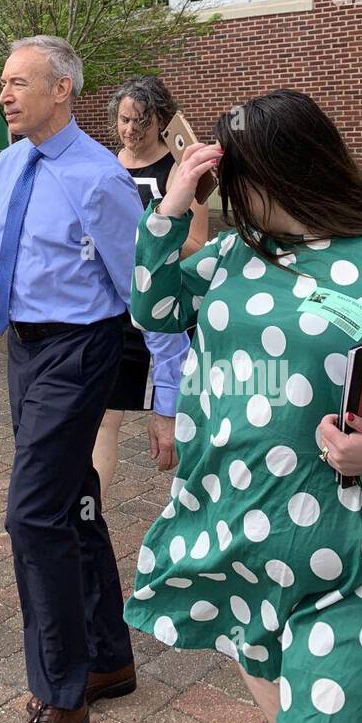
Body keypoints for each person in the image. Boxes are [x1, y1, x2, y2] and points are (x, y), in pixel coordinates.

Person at [126, 89, 362, 723]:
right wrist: (172, 208)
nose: (230, 193)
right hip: (243, 548)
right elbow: (153, 305)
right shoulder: (235, 256)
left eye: (235, 176)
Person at [0, 36, 185, 723]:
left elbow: (148, 289)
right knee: (71, 500)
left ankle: (61, 699)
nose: (5, 95)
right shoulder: (9, 164)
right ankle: (108, 658)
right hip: (25, 350)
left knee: (30, 513)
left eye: (18, 83)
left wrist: (165, 396)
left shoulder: (98, 179)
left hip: (82, 349)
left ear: (62, 92)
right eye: (1, 83)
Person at [93, 77, 209, 502]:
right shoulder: (107, 166)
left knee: (178, 422)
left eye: (141, 121)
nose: (130, 130)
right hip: (115, 311)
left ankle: (192, 507)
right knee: (105, 417)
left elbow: (197, 245)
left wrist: (154, 226)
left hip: (167, 310)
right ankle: (91, 517)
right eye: (124, 120)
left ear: (162, 119)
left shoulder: (181, 167)